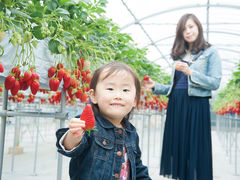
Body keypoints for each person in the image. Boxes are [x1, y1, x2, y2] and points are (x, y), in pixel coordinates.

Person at [141, 13, 222, 180]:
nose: (188, 31)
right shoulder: (179, 55)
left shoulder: (210, 52)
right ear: (180, 33)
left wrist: (191, 73)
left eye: (191, 27)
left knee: (195, 148)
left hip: (195, 105)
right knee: (178, 148)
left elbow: (214, 82)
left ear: (198, 27)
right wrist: (155, 86)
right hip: (176, 104)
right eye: (184, 29)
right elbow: (175, 87)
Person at [56, 62, 152, 180]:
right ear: (93, 95)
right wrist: (73, 135)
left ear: (135, 100)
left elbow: (137, 167)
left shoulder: (131, 132)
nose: (118, 95)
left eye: (125, 90)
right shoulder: (88, 124)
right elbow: (70, 148)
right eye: (110, 89)